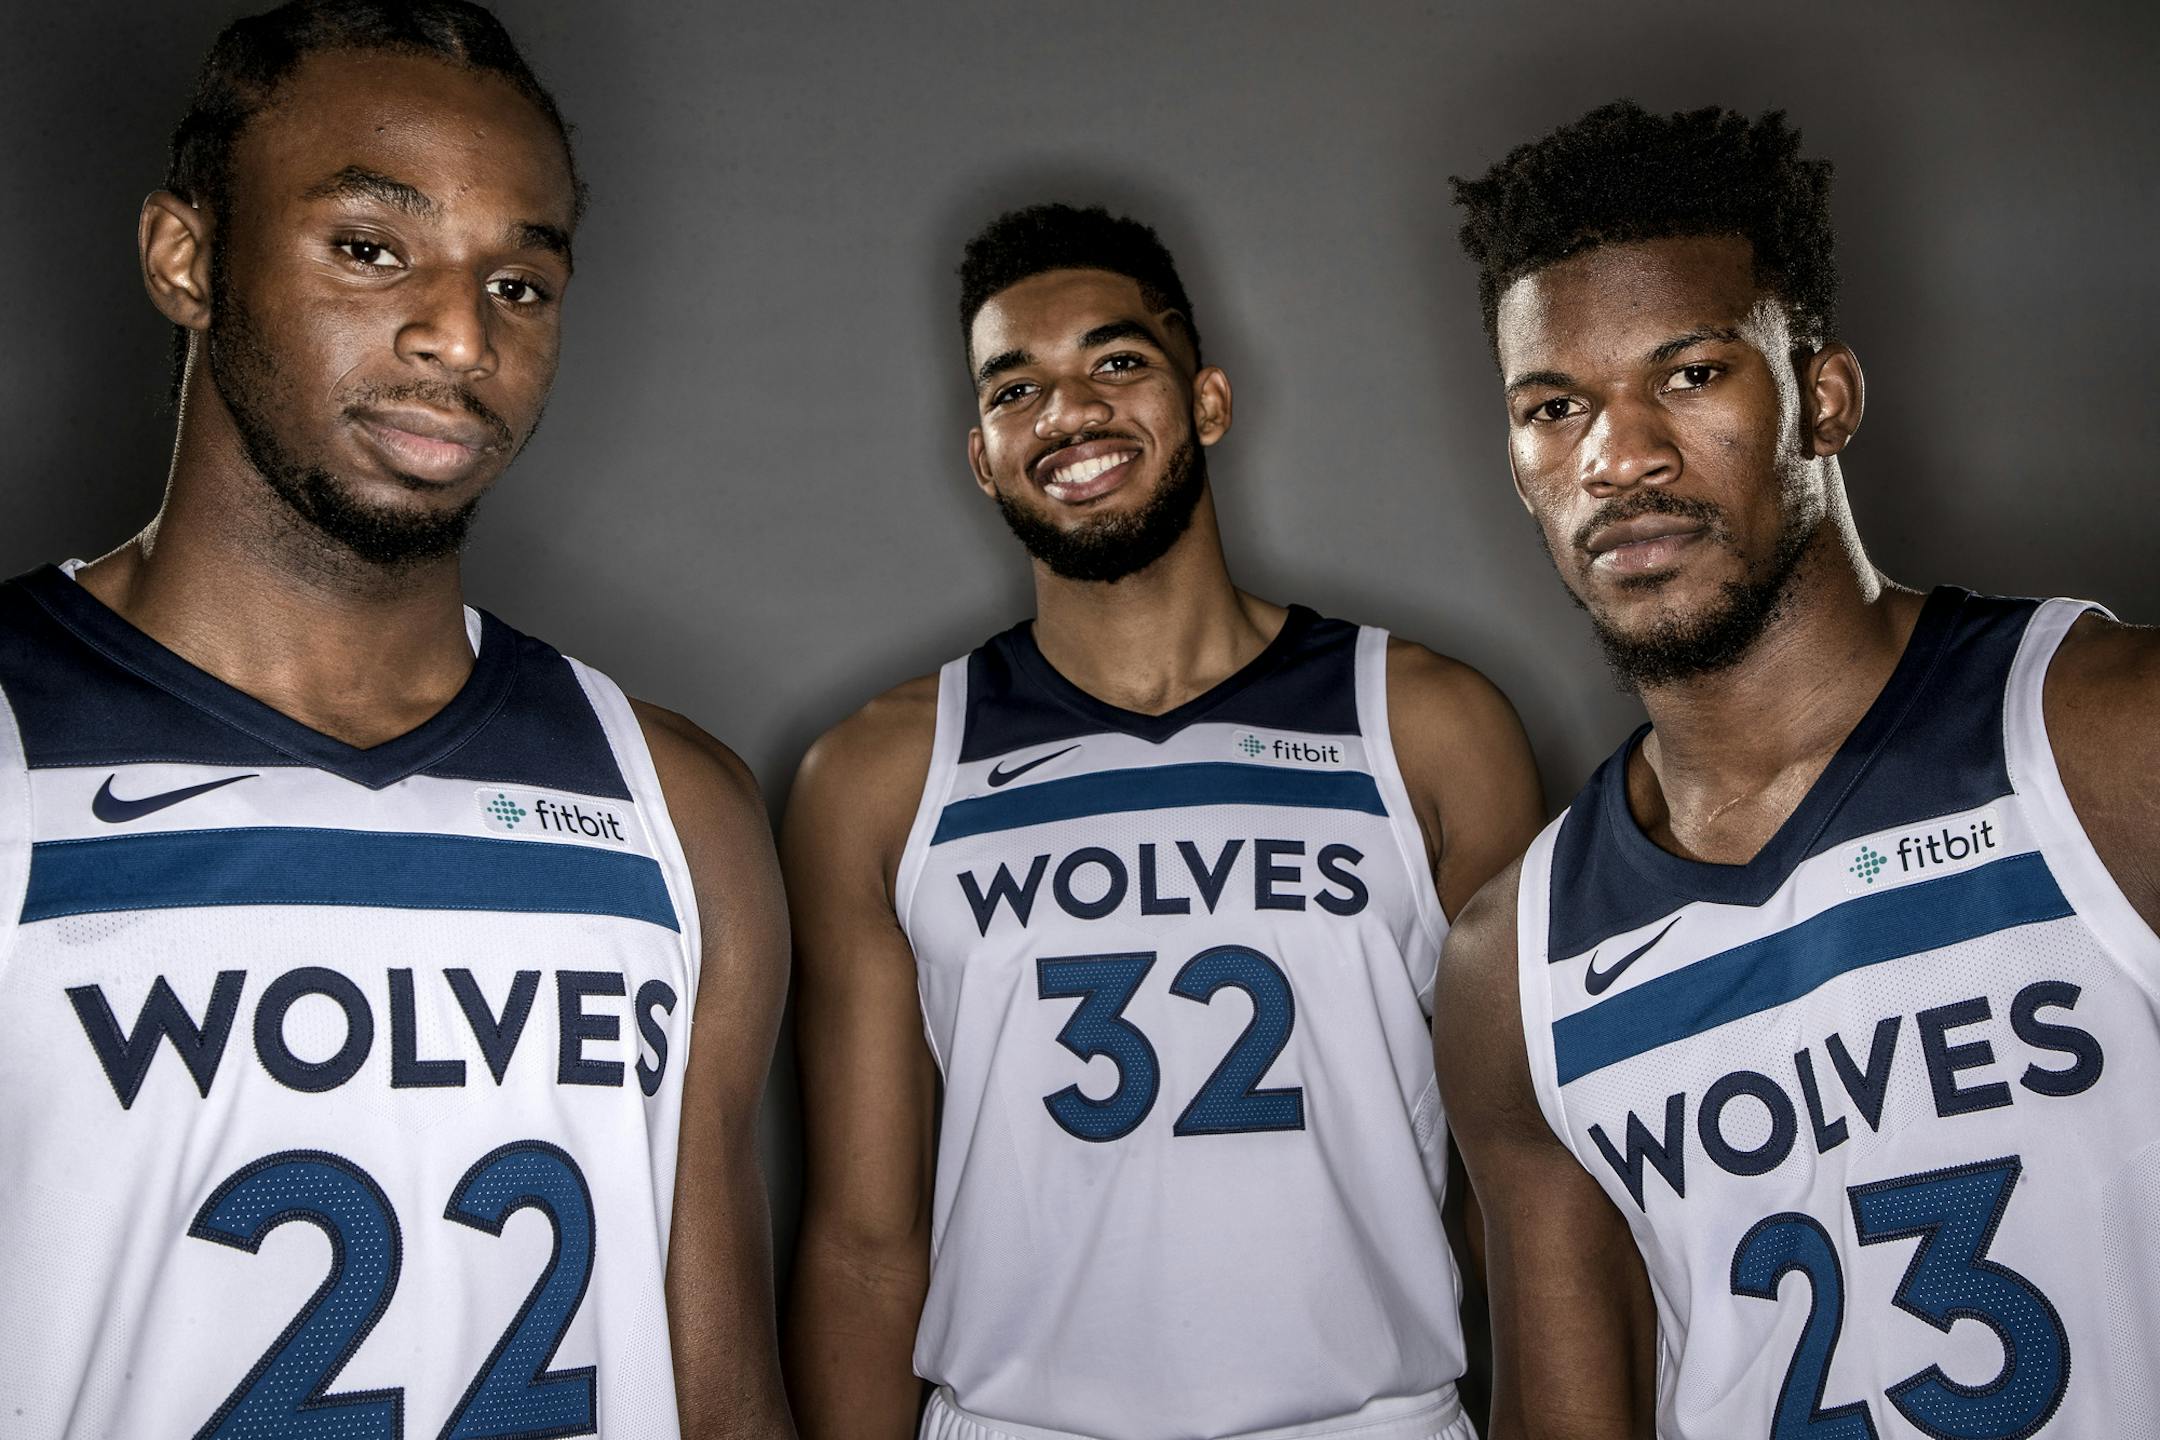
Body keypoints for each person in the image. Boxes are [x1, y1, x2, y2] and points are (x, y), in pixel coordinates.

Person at [0, 4, 792, 1436]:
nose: (455, 334)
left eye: (521, 284)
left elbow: (720, 1391)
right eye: (372, 249)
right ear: (187, 258)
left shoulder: (674, 810)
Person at [1435, 99, 2160, 1439]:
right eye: (1555, 406)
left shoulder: (2108, 745)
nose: (1621, 456)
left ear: (1822, 397)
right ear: (1522, 470)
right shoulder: (1513, 968)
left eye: (1691, 375)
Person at [783, 202, 1541, 1440]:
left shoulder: (1428, 726)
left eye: (1117, 362)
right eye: (1015, 389)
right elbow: (864, 1241)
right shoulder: (879, 771)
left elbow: (1529, 1187)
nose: (1069, 413)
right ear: (979, 453)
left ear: (1210, 403)